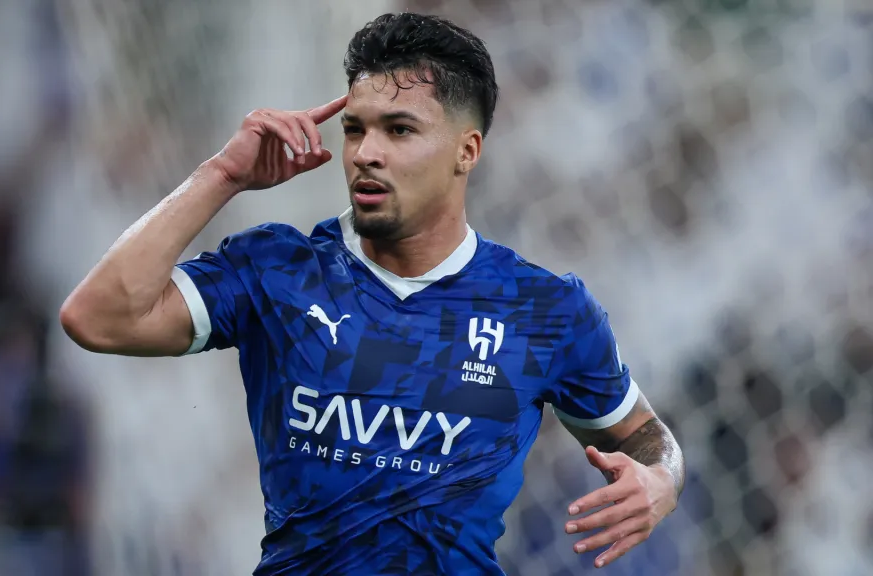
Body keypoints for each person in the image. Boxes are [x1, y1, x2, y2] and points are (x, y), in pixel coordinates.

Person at [60, 12, 685, 575]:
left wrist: (661, 479)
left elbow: (643, 434)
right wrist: (222, 176)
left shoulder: (546, 310)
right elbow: (97, 317)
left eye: (400, 130)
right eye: (355, 130)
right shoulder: (278, 268)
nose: (366, 154)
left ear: (466, 152)